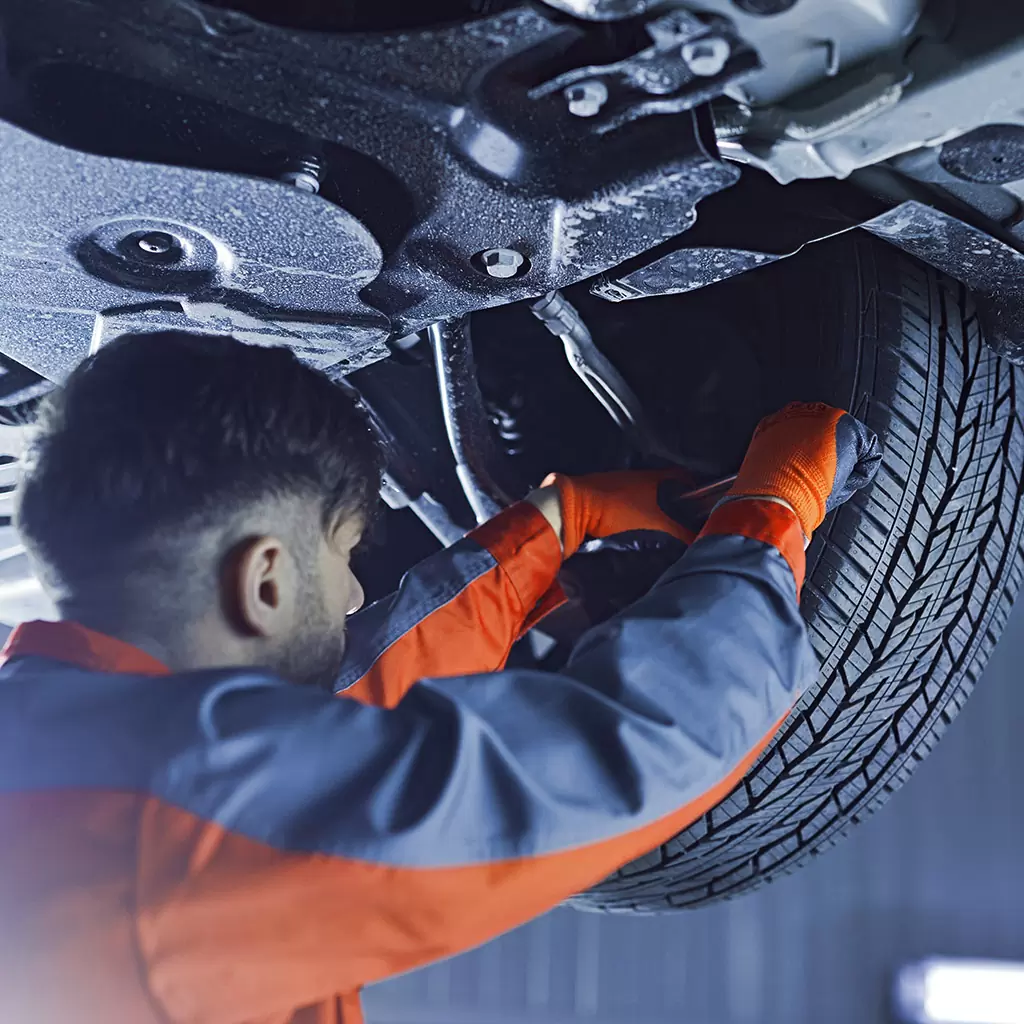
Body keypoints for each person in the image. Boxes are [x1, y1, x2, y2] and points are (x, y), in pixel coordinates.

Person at [0, 331, 880, 1024]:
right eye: (343, 556)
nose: (350, 595)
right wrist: (768, 519)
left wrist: (548, 532)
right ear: (263, 579)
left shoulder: (71, 755)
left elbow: (353, 713)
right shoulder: (166, 820)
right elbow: (636, 743)